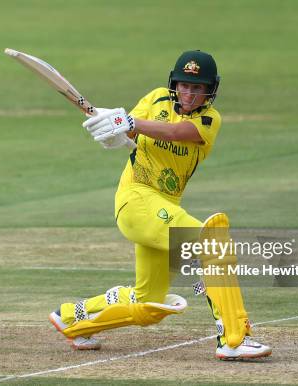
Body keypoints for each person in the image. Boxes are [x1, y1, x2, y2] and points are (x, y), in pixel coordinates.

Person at [48, 50, 271, 359]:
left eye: (197, 88)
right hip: (136, 200)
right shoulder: (155, 100)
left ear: (210, 91)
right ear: (174, 85)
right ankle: (233, 338)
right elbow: (128, 132)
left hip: (164, 207)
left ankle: (74, 317)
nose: (189, 94)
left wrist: (130, 122)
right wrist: (112, 130)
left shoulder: (209, 120)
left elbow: (178, 132)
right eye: (184, 86)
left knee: (148, 306)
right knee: (213, 243)